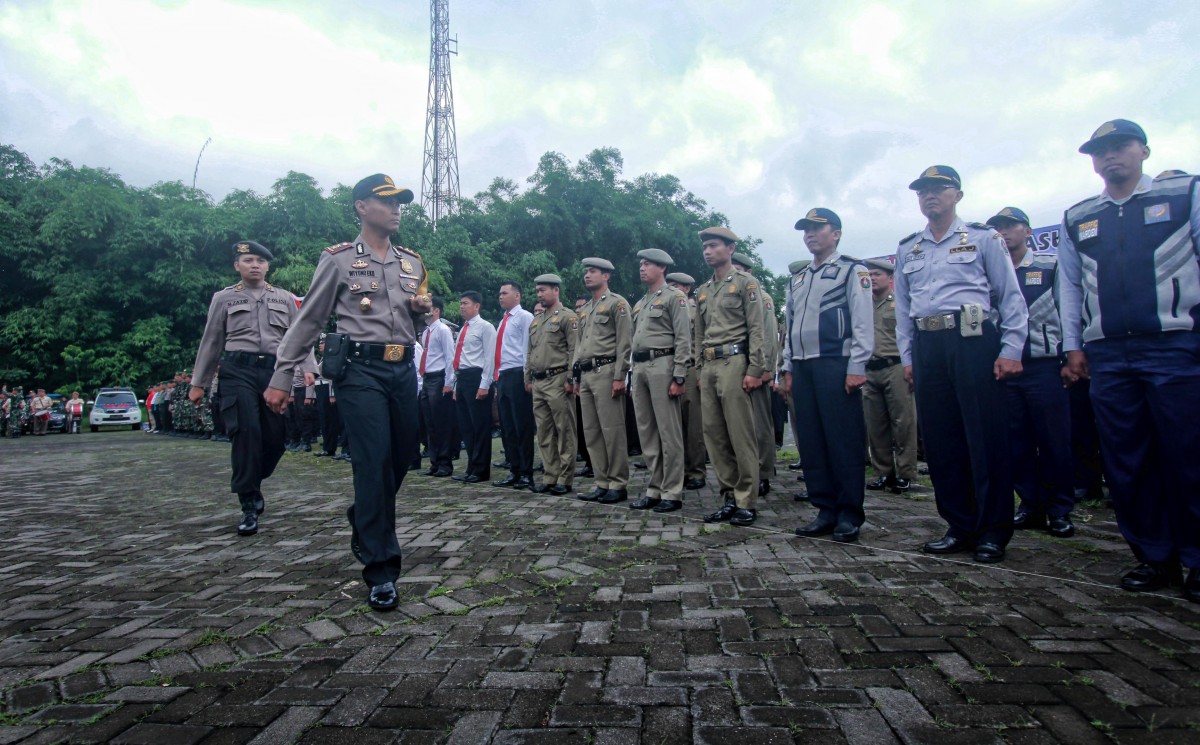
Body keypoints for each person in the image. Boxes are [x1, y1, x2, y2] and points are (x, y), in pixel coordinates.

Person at [266, 173, 432, 612]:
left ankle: (364, 517)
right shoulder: (338, 260)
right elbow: (309, 320)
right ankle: (381, 568)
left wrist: (422, 313)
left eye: (400, 203)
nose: (397, 209)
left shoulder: (413, 263)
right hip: (359, 371)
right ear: (361, 206)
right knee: (372, 461)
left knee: (401, 457)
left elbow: (418, 323)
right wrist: (283, 375)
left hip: (402, 370)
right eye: (386, 201)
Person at [1058, 120, 1200, 601]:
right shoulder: (1080, 217)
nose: (1110, 157)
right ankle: (1154, 556)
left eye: (1120, 147)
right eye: (1100, 151)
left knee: (1187, 454)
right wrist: (1074, 347)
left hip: (1175, 344)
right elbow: (1071, 287)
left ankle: (1197, 558)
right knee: (1127, 460)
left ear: (1144, 150)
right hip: (1108, 354)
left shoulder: (1184, 194)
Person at [893, 166, 1028, 563]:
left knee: (984, 438)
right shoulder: (908, 248)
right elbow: (902, 309)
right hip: (927, 344)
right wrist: (908, 357)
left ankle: (992, 530)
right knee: (942, 440)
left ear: (958, 195)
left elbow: (1010, 297)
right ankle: (959, 524)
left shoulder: (983, 238)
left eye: (939, 189)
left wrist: (1011, 349)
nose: (929, 195)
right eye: (922, 191)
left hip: (972, 340)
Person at [191, 240, 306, 536]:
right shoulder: (224, 298)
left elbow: (298, 338)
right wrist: (198, 383)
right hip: (236, 371)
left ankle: (254, 480)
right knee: (247, 432)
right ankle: (247, 502)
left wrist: (309, 369)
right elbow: (212, 341)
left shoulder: (284, 298)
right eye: (248, 260)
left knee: (276, 438)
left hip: (273, 371)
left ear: (268, 266)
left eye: (260, 261)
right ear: (237, 265)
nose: (254, 265)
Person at [780, 208, 874, 543]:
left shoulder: (851, 270)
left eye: (817, 228)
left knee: (843, 440)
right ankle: (825, 508)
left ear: (835, 233)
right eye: (805, 229)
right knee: (813, 440)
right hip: (804, 366)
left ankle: (849, 514)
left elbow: (863, 321)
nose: (809, 234)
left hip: (836, 362)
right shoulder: (799, 278)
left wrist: (857, 366)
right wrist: (787, 367)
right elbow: (790, 328)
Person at [986, 206, 1076, 538]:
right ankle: (1030, 504)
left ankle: (1060, 508)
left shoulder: (1050, 266)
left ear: (1028, 231)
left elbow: (1069, 311)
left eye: (1012, 226)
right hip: (1004, 370)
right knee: (1015, 442)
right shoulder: (989, 271)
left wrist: (1070, 357)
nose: (1005, 232)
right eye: (999, 228)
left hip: (1043, 365)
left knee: (1053, 440)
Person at [694, 227, 767, 527]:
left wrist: (755, 369)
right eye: (705, 248)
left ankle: (746, 500)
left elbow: (757, 329)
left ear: (731, 248)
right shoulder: (702, 290)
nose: (708, 251)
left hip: (735, 361)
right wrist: (699, 368)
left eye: (714, 246)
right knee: (714, 435)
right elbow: (698, 333)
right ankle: (728, 496)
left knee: (741, 434)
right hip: (710, 365)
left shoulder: (746, 283)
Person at [628, 249, 692, 513]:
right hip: (641, 367)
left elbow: (683, 338)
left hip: (663, 364)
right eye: (641, 264)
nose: (642, 268)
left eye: (648, 264)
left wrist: (679, 375)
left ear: (662, 268)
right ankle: (655, 488)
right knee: (647, 432)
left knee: (669, 431)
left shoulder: (674, 297)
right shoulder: (641, 303)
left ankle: (672, 491)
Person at [572, 258, 633, 503]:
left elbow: (625, 343)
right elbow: (579, 346)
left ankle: (618, 483)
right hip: (586, 374)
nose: (587, 275)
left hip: (606, 371)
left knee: (612, 430)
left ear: (606, 275)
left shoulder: (617, 303)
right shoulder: (585, 309)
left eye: (593, 271)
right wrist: (575, 376)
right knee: (592, 432)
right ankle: (601, 481)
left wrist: (620, 376)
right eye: (586, 271)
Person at [862, 258, 918, 494]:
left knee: (903, 422)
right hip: (869, 367)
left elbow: (912, 335)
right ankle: (883, 472)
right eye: (870, 275)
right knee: (875, 425)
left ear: (890, 278)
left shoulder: (901, 303)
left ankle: (906, 473)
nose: (873, 278)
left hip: (895, 366)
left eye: (877, 274)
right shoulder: (862, 304)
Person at [730, 253, 779, 497]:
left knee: (760, 424)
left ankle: (764, 472)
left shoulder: (762, 297)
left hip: (757, 368)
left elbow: (768, 335)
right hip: (737, 367)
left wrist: (766, 368)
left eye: (738, 268)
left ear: (749, 271)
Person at [526, 274, 579, 495]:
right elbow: (530, 352)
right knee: (544, 432)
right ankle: (550, 475)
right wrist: (527, 377)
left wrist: (570, 378)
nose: (540, 294)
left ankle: (565, 478)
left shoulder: (568, 317)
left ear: (556, 290)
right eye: (538, 291)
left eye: (544, 290)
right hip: (538, 382)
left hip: (558, 379)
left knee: (564, 430)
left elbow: (574, 350)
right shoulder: (536, 321)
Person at [493, 282, 537, 489]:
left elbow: (528, 349)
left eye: (504, 293)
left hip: (518, 373)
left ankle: (526, 472)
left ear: (517, 296)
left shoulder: (524, 317)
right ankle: (515, 469)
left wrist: (527, 377)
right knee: (507, 427)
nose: (500, 297)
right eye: (500, 293)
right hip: (503, 375)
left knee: (522, 426)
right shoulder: (503, 321)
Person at [451, 290, 497, 483]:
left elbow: (490, 357)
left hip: (477, 378)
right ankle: (471, 465)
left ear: (477, 306)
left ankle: (481, 469)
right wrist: (455, 386)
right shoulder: (464, 328)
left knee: (479, 426)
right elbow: (459, 358)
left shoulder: (485, 327)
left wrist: (485, 384)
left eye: (466, 303)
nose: (462, 306)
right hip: (462, 379)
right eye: (461, 303)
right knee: (466, 426)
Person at [666, 271, 707, 490]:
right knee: (673, 424)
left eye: (676, 286)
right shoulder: (665, 307)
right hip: (668, 368)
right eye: (669, 285)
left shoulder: (694, 310)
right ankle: (677, 470)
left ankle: (697, 471)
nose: (672, 289)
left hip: (690, 369)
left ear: (687, 289)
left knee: (693, 424)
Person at [416, 297, 457, 477]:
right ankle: (434, 462)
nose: (425, 311)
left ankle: (445, 463)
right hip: (427, 378)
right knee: (429, 423)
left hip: (439, 378)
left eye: (428, 308)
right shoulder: (426, 332)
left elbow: (450, 358)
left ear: (437, 310)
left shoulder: (442, 330)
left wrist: (449, 383)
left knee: (441, 423)